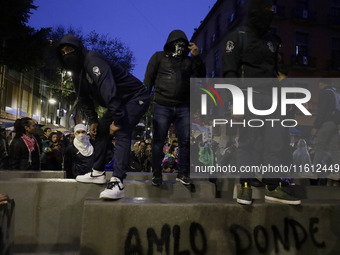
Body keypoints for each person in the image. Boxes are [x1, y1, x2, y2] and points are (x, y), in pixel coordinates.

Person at [222, 0, 300, 205]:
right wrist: (235, 102)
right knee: (248, 141)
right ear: (256, 10)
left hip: (272, 98)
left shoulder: (273, 40)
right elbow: (230, 71)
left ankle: (272, 186)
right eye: (267, 8)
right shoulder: (237, 37)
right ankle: (245, 186)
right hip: (248, 95)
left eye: (272, 9)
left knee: (275, 142)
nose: (271, 12)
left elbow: (274, 72)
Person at [57, 34, 150, 199]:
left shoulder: (92, 60)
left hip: (136, 96)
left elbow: (109, 90)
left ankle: (118, 182)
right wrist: (93, 120)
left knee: (122, 131)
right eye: (63, 52)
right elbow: (84, 99)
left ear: (78, 49)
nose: (67, 54)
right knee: (100, 130)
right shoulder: (77, 72)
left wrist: (118, 120)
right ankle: (97, 172)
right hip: (119, 101)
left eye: (70, 50)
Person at [144, 29, 206, 186]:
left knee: (185, 140)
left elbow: (200, 76)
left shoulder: (189, 61)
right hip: (162, 104)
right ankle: (157, 173)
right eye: (176, 44)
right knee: (158, 140)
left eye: (182, 45)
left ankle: (183, 172)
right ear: (170, 44)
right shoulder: (159, 57)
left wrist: (196, 56)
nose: (179, 48)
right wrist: (145, 101)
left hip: (183, 106)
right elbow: (148, 79)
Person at [312, 80, 340, 180]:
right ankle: (337, 173)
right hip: (335, 124)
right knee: (334, 148)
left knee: (320, 146)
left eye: (319, 83)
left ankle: (314, 172)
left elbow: (321, 111)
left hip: (327, 122)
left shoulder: (325, 93)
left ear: (322, 83)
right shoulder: (336, 93)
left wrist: (316, 126)